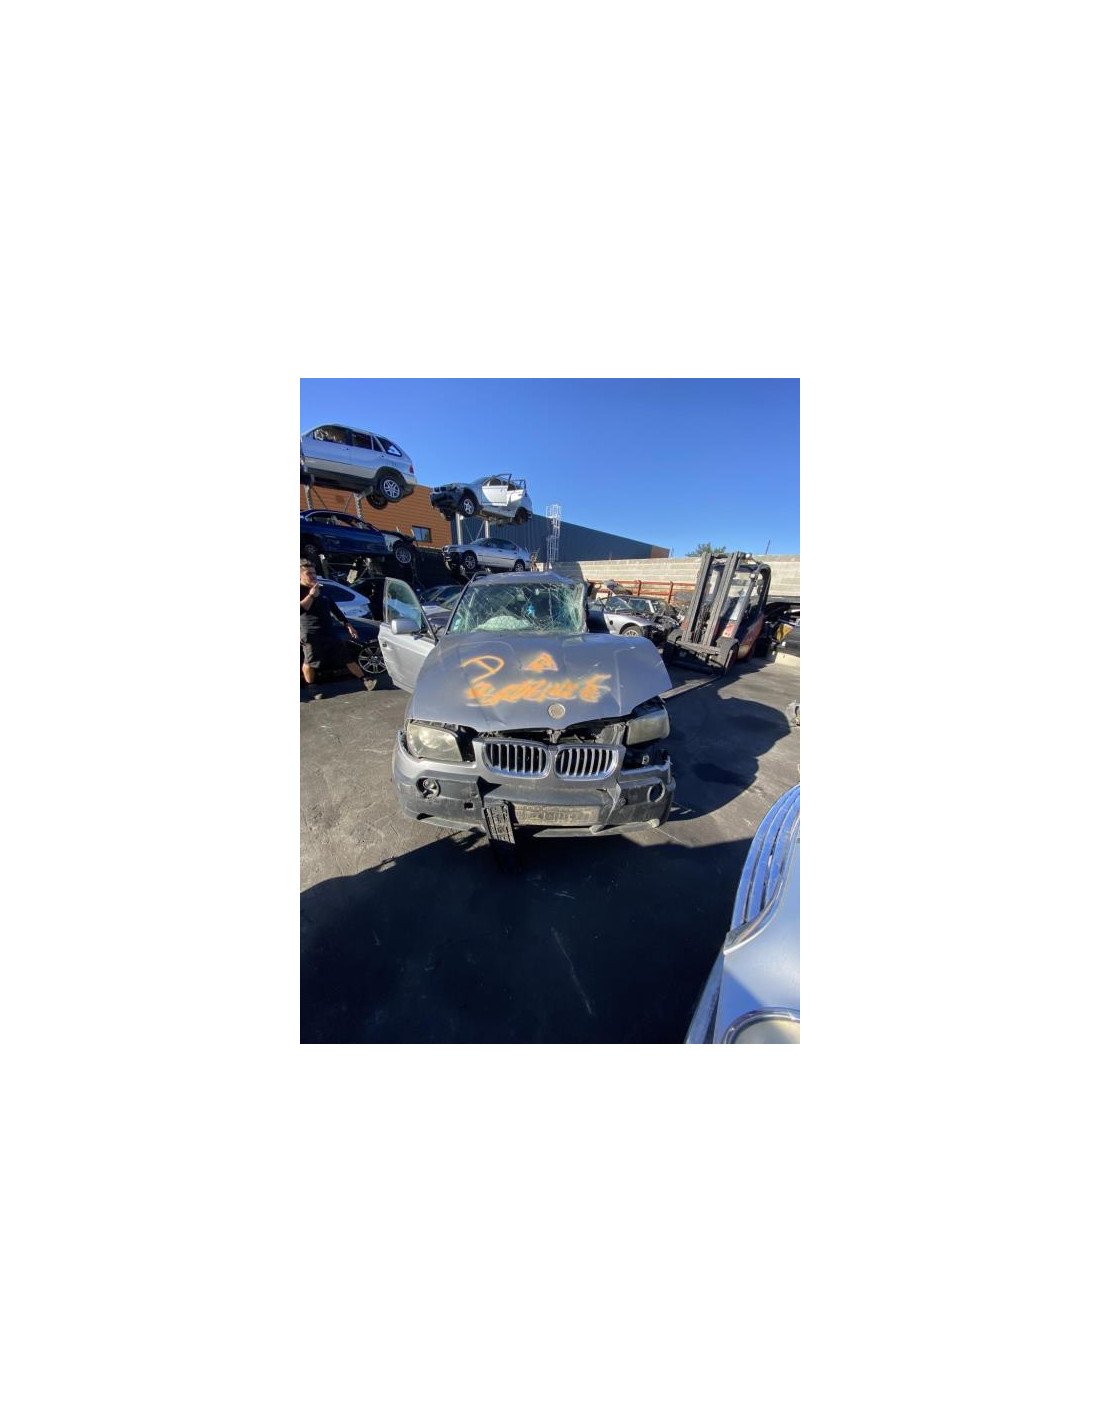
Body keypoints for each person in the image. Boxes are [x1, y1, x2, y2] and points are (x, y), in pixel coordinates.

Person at [300, 560, 369, 692]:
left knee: (345, 656)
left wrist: (347, 624)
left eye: (314, 573)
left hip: (329, 630)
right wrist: (311, 595)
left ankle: (365, 680)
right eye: (309, 573)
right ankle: (312, 688)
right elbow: (301, 610)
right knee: (310, 661)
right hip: (310, 633)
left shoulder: (322, 589)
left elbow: (334, 609)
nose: (313, 576)